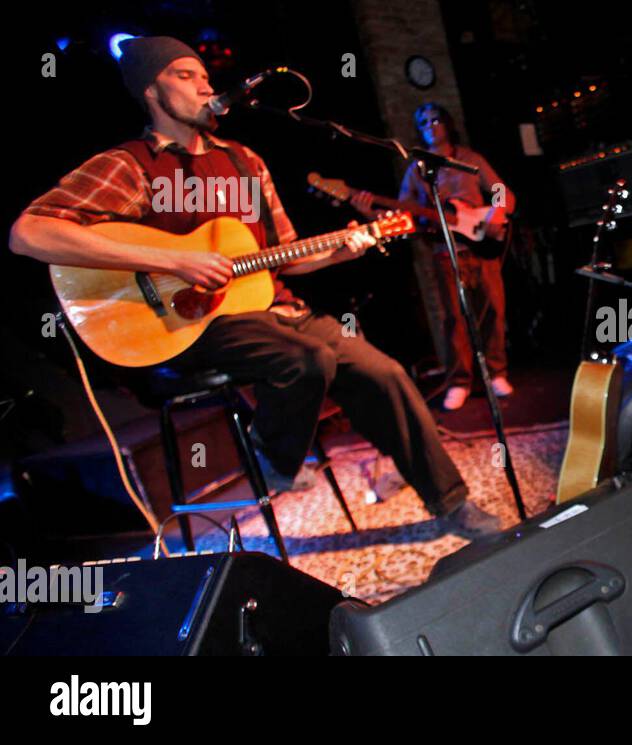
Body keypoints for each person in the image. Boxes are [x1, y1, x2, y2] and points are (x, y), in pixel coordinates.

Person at [8, 37, 500, 538]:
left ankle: (451, 504)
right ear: (151, 91)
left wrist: (344, 247)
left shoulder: (246, 162)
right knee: (307, 360)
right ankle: (274, 458)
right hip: (192, 327)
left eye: (204, 74)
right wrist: (171, 258)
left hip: (273, 311)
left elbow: (285, 257)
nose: (204, 84)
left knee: (384, 373)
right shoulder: (130, 165)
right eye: (184, 75)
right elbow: (28, 233)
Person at [351, 103, 516, 411]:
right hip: (445, 251)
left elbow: (502, 193)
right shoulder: (418, 170)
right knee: (455, 319)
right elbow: (403, 210)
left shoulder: (471, 159)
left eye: (436, 119)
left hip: (481, 248)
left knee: (493, 310)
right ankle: (459, 381)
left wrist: (496, 216)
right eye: (424, 122)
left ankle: (498, 373)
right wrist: (371, 208)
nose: (431, 125)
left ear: (448, 124)